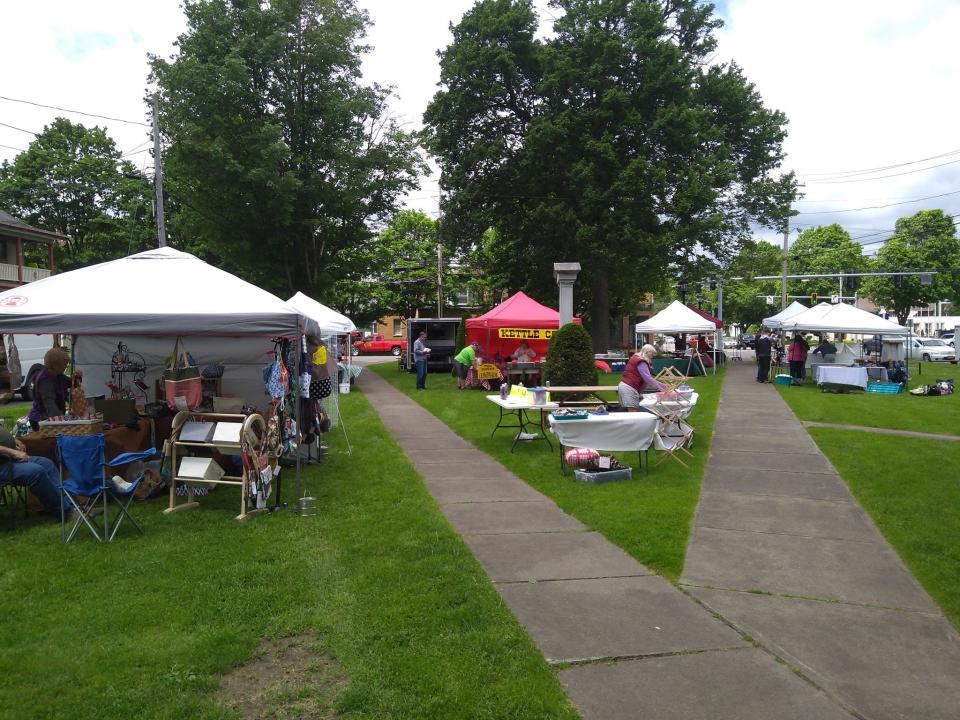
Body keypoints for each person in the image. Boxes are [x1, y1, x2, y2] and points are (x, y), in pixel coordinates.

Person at [0, 425, 67, 520]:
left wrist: (15, 441)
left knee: (46, 463)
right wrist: (13, 452)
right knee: (36, 471)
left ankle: (70, 504)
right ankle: (65, 512)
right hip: (2, 466)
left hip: (9, 460)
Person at [28, 346, 75, 431]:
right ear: (56, 364)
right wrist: (61, 421)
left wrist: (77, 378)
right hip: (41, 419)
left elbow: (70, 382)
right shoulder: (45, 380)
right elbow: (49, 404)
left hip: (50, 417)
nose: (66, 367)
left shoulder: (58, 375)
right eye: (64, 364)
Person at [618, 344, 667, 410]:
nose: (652, 356)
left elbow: (648, 378)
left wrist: (662, 386)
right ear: (648, 352)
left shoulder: (636, 357)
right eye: (652, 354)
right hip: (629, 388)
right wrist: (663, 388)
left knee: (633, 411)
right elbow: (648, 379)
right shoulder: (641, 362)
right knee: (632, 412)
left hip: (626, 387)